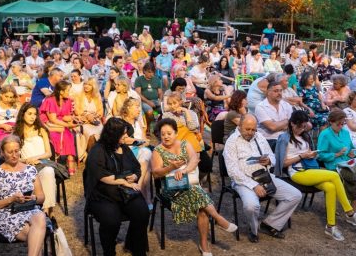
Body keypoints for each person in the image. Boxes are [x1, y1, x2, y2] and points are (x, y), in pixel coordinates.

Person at [151, 118, 237, 254]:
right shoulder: (158, 150)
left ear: (176, 133)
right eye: (163, 134)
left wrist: (183, 170)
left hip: (189, 185)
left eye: (169, 133)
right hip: (171, 190)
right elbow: (155, 174)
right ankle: (219, 219)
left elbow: (194, 160)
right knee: (200, 196)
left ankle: (204, 244)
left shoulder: (185, 144)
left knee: (202, 207)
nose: (166, 136)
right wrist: (170, 167)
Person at [281, 110, 356, 241]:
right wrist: (302, 156)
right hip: (297, 173)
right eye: (299, 126)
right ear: (292, 124)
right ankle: (349, 212)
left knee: (330, 187)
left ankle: (331, 226)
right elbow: (283, 164)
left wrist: (311, 154)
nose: (302, 129)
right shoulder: (284, 138)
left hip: (309, 169)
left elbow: (309, 153)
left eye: (304, 126)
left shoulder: (304, 136)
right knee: (334, 176)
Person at [223, 114, 301, 242]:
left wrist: (269, 160)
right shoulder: (232, 142)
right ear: (239, 126)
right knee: (251, 206)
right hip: (243, 181)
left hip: (264, 176)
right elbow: (233, 171)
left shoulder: (259, 137)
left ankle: (269, 224)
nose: (251, 132)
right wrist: (254, 185)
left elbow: (273, 157)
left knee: (295, 195)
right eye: (247, 129)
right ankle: (253, 230)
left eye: (253, 129)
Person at [84, 117, 150, 256]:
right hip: (103, 195)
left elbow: (136, 167)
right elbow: (102, 176)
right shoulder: (97, 151)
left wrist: (135, 176)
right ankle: (109, 252)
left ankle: (136, 248)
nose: (126, 136)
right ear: (112, 135)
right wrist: (123, 181)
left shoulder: (124, 148)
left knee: (142, 213)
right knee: (111, 220)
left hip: (125, 192)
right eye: (123, 134)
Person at [0, 135, 47, 256]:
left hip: (29, 209)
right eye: (10, 152)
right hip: (6, 214)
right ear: (2, 153)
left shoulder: (31, 170)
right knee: (37, 239)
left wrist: (34, 198)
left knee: (40, 217)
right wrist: (10, 199)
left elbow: (42, 197)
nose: (14, 155)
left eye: (17, 151)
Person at [13, 104, 57, 214]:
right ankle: (35, 209)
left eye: (35, 114)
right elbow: (14, 157)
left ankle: (45, 211)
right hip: (26, 165)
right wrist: (27, 160)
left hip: (43, 162)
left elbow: (48, 153)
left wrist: (36, 158)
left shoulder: (41, 130)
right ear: (22, 115)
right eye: (29, 114)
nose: (33, 117)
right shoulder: (17, 133)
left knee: (48, 171)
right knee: (35, 174)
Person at [39, 80, 78, 174]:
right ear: (61, 91)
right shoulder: (50, 100)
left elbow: (65, 116)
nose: (69, 93)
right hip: (48, 123)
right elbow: (52, 119)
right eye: (68, 90)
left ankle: (70, 159)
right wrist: (68, 125)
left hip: (60, 122)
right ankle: (55, 161)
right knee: (56, 135)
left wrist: (75, 118)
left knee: (68, 135)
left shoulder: (67, 100)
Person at [255, 78, 293, 150]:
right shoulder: (260, 107)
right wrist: (287, 121)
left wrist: (279, 125)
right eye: (276, 91)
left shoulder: (286, 105)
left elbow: (292, 125)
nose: (279, 93)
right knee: (287, 146)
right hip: (269, 140)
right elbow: (272, 127)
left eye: (281, 91)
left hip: (286, 137)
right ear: (268, 92)